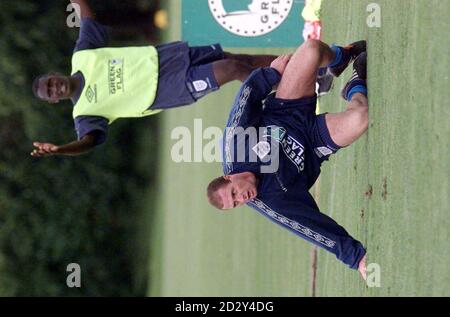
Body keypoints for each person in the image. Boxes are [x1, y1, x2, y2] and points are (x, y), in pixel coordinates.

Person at [30, 0, 280, 157]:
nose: (55, 88)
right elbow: (88, 141)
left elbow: (86, 17)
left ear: (54, 74)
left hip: (168, 57)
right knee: (231, 68)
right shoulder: (84, 112)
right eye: (50, 92)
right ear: (54, 101)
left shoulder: (82, 56)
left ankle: (294, 65)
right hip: (167, 90)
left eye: (50, 83)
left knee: (238, 58)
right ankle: (284, 95)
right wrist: (61, 149)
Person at [206, 39, 369, 278]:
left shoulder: (234, 146)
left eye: (233, 193)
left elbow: (246, 97)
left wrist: (271, 74)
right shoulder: (269, 201)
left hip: (286, 107)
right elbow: (308, 226)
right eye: (236, 204)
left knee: (311, 49)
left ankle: (339, 58)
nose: (241, 198)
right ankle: (356, 87)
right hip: (315, 144)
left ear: (229, 176)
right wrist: (357, 259)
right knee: (361, 117)